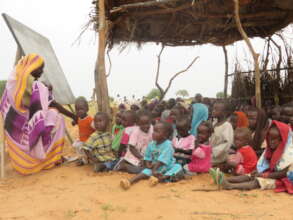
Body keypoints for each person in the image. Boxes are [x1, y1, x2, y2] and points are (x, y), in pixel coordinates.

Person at [0, 54, 77, 175]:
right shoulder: (37, 86)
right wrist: (73, 116)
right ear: (31, 67)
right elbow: (52, 104)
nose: (42, 71)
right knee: (58, 118)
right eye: (40, 68)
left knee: (52, 114)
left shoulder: (12, 83)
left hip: (14, 131)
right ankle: (48, 159)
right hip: (29, 133)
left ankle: (29, 160)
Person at [218, 121, 293, 194]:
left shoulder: (289, 154)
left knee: (257, 182)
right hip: (270, 174)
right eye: (269, 138)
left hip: (284, 179)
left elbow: (284, 173)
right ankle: (225, 180)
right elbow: (266, 165)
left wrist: (264, 175)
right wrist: (259, 172)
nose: (271, 142)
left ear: (283, 140)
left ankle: (231, 186)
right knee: (249, 175)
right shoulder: (270, 150)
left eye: (274, 139)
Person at [119, 122, 183, 190]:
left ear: (165, 135)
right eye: (153, 130)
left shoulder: (168, 145)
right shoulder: (151, 144)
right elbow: (147, 156)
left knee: (177, 167)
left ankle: (162, 177)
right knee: (144, 172)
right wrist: (148, 165)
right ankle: (129, 181)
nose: (153, 133)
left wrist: (154, 170)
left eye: (156, 131)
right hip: (155, 167)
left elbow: (162, 160)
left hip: (167, 166)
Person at [210, 101, 234, 166]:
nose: (213, 111)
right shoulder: (214, 123)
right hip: (211, 153)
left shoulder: (227, 126)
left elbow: (226, 143)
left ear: (224, 113)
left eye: (216, 109)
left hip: (219, 157)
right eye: (213, 109)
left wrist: (213, 151)